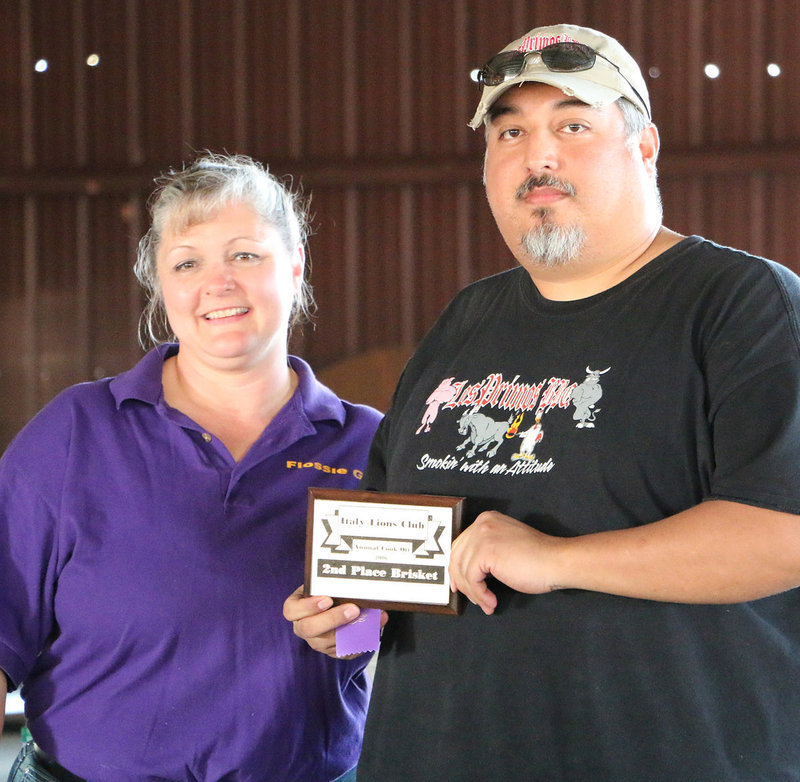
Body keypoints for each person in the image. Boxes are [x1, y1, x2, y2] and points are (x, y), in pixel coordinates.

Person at [284, 23, 800, 781]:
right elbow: (406, 551)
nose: (540, 155)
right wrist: (350, 616)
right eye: (511, 132)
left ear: (645, 146)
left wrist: (557, 560)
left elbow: (783, 532)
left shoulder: (743, 303)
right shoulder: (466, 320)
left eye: (573, 125)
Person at [0, 152, 382, 781]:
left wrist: (354, 631)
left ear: (295, 265)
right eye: (187, 263)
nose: (219, 282)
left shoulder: (367, 445)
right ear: (161, 286)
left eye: (246, 255)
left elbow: (396, 642)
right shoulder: (76, 432)